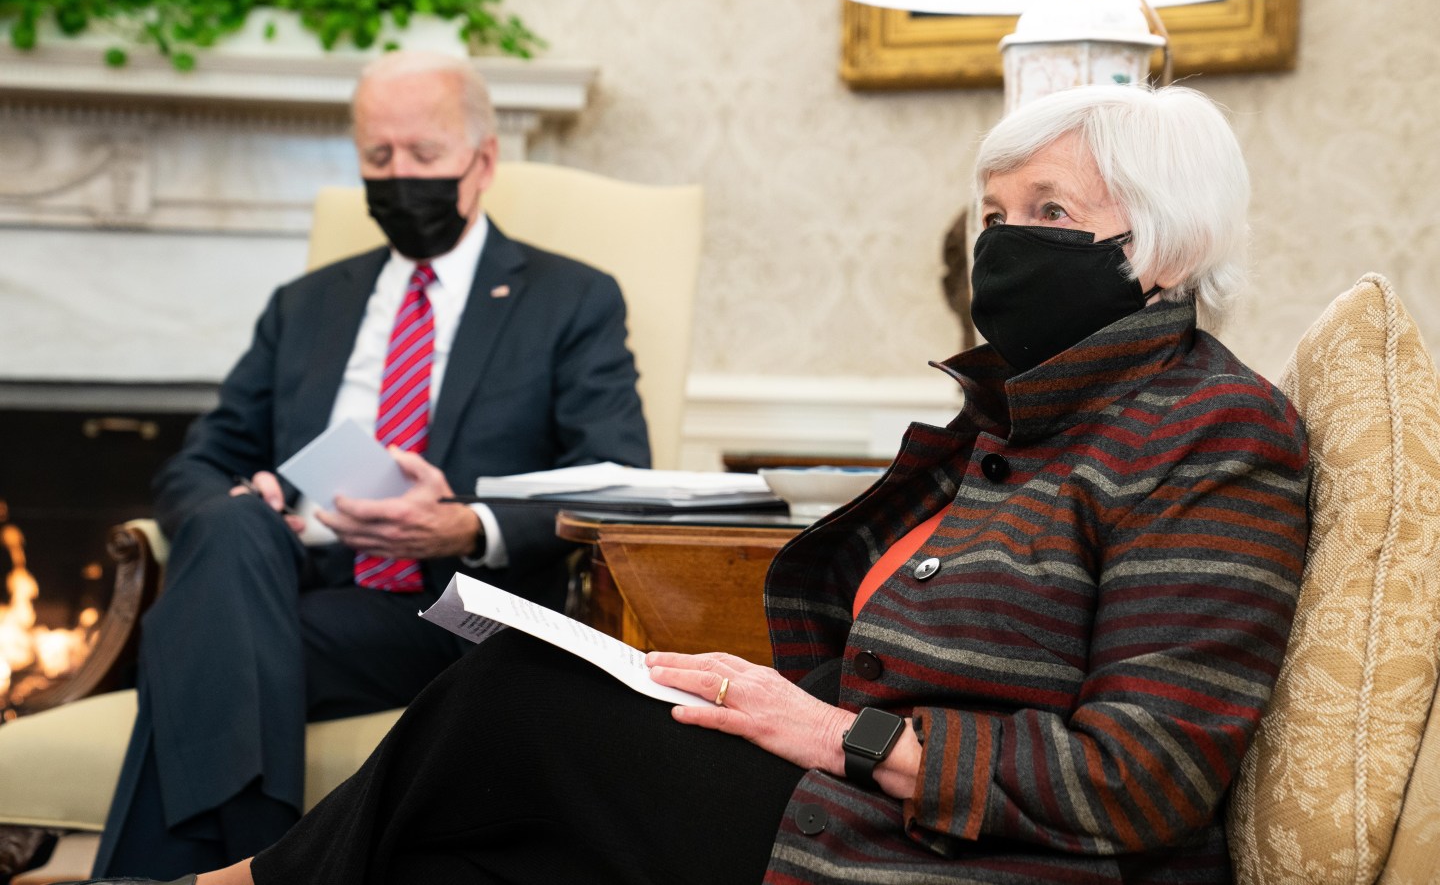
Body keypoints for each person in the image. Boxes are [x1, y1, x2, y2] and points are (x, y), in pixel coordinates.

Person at [80, 82, 1309, 885]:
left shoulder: (1214, 428)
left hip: (945, 847)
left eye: (1047, 210)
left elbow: (1142, 775)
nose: (1003, 241)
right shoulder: (1033, 413)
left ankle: (231, 878)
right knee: (456, 829)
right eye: (993, 211)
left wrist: (826, 727)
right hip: (863, 787)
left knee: (517, 696)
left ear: (1164, 246)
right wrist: (771, 696)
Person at [90, 51, 651, 879]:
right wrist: (252, 496)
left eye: (424, 154)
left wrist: (466, 524)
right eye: (378, 156)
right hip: (301, 590)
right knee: (232, 528)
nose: (400, 177)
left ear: (483, 159)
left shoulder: (571, 299)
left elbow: (616, 478)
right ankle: (260, 865)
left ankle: (205, 870)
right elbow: (196, 463)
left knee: (193, 641)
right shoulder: (307, 304)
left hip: (447, 609)